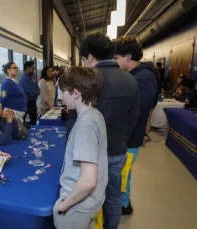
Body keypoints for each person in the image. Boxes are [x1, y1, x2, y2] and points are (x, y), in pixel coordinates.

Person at [67, 32, 140, 229]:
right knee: (114, 197)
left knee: (86, 197)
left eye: (83, 59)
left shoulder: (88, 81)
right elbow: (134, 116)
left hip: (90, 153)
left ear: (89, 57)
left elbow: (76, 121)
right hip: (117, 149)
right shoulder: (131, 80)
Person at [53, 67, 108, 229]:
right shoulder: (95, 114)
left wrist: (64, 205)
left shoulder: (85, 124)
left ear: (76, 93)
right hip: (91, 201)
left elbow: (89, 180)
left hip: (77, 205)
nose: (61, 96)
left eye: (63, 91)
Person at [114, 37, 158, 215]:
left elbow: (138, 111)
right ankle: (123, 203)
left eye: (117, 58)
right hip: (127, 134)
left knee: (124, 174)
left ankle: (124, 205)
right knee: (124, 172)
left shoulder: (144, 78)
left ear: (128, 56)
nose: (115, 63)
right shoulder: (135, 76)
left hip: (130, 136)